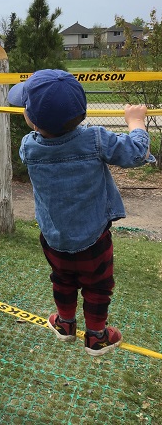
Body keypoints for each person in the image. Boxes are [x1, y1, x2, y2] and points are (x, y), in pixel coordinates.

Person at [8, 69, 155, 356]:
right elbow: (136, 152)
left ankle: (64, 323)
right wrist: (136, 122)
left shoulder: (29, 147)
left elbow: (40, 139)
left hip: (53, 236)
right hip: (93, 237)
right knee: (98, 285)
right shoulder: (96, 140)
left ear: (32, 119)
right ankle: (96, 336)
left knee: (62, 278)